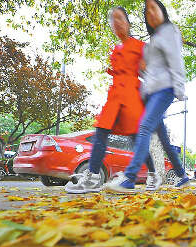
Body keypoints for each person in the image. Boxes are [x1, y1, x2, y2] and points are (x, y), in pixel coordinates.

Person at [65, 6, 161, 194]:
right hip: (115, 95)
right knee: (101, 130)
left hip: (132, 96)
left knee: (136, 138)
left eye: (119, 18)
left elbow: (152, 71)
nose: (116, 23)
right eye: (112, 20)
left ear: (127, 23)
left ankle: (153, 174)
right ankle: (92, 178)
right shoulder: (115, 50)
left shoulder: (141, 46)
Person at [106, 0, 189, 193]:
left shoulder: (170, 31)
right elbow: (150, 72)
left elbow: (176, 61)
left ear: (162, 10)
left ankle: (129, 178)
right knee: (164, 140)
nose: (150, 12)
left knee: (143, 127)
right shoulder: (155, 39)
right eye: (147, 11)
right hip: (152, 94)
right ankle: (182, 175)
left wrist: (179, 89)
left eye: (154, 8)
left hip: (165, 90)